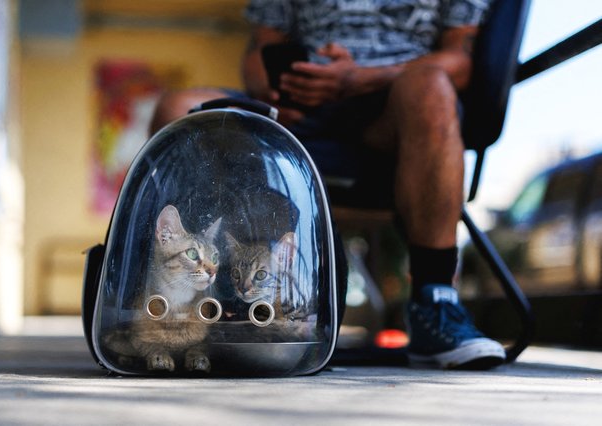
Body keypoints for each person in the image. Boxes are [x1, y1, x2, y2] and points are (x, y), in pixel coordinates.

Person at [149, 0, 506, 370]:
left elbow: (461, 61)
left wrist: (361, 79)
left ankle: (436, 300)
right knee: (178, 108)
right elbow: (261, 47)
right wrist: (270, 91)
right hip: (301, 111)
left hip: (394, 109)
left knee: (431, 85)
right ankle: (178, 301)